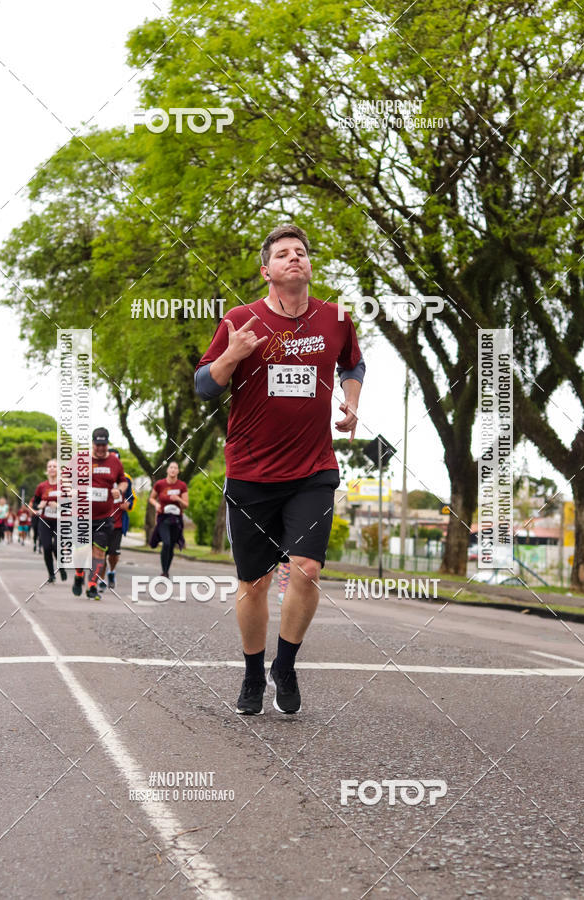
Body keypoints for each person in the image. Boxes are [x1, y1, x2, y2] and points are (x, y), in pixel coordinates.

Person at [195, 223, 364, 716]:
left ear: (309, 265)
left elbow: (353, 366)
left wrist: (351, 405)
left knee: (306, 571)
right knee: (255, 583)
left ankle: (284, 665)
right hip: (250, 473)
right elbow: (206, 386)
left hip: (313, 469)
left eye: (302, 252)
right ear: (266, 270)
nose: (295, 258)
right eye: (284, 254)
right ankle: (252, 674)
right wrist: (234, 353)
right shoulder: (239, 318)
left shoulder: (337, 318)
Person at [72, 427, 128, 601]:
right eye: (98, 445)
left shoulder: (114, 461)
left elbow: (123, 481)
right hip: (82, 515)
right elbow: (65, 477)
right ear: (92, 443)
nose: (101, 448)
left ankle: (92, 585)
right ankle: (79, 574)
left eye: (104, 445)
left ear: (107, 443)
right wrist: (71, 489)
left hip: (104, 517)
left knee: (99, 553)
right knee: (81, 552)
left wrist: (119, 489)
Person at [99, 448, 136, 592]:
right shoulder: (99, 477)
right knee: (101, 553)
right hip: (102, 521)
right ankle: (101, 580)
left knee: (113, 554)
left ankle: (111, 572)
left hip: (118, 523)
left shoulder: (126, 480)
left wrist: (128, 505)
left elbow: (130, 499)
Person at [149, 462, 188, 577]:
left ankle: (166, 571)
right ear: (167, 470)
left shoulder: (182, 485)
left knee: (171, 545)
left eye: (175, 468)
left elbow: (186, 505)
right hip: (163, 518)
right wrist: (156, 505)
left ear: (178, 471)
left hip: (176, 519)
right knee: (166, 542)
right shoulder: (160, 484)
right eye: (171, 467)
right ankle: (164, 571)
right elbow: (151, 498)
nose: (173, 470)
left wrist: (178, 499)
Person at [32, 459, 67, 583]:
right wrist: (39, 506)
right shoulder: (41, 486)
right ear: (47, 470)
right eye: (49, 466)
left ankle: (61, 568)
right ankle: (51, 574)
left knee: (57, 547)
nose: (52, 468)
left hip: (60, 521)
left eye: (54, 466)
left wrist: (58, 506)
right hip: (45, 521)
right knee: (46, 547)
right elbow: (34, 504)